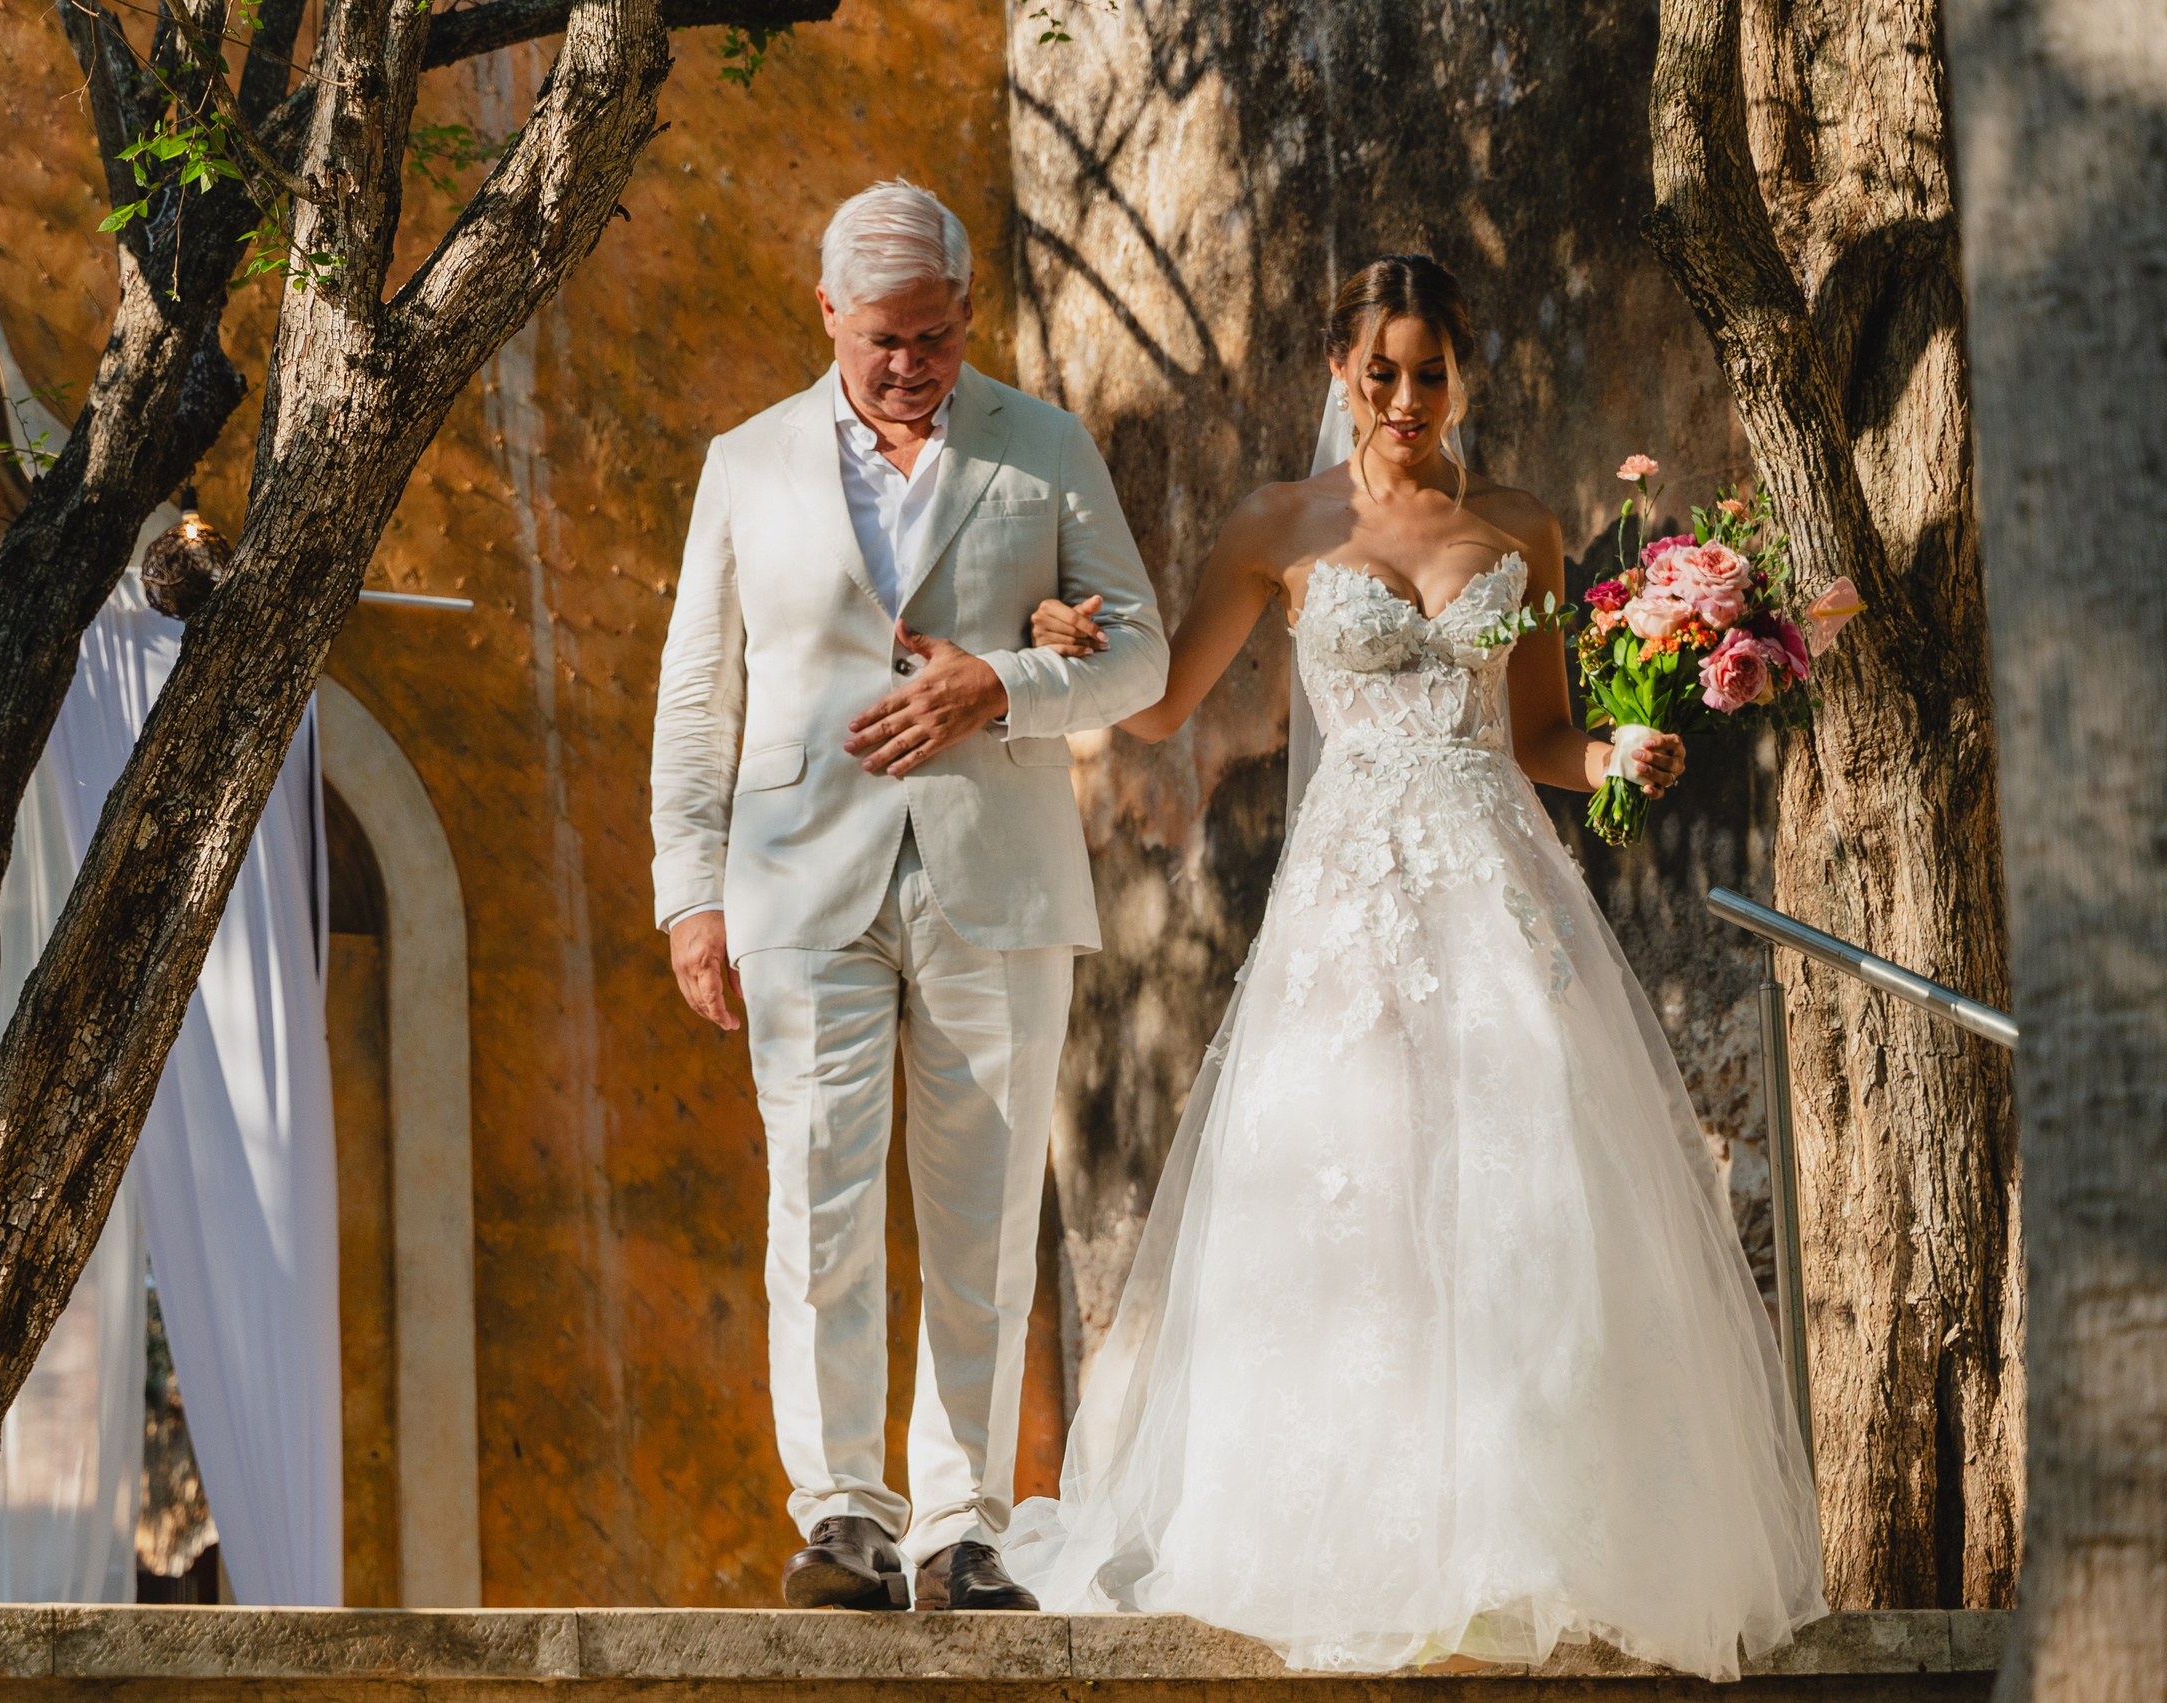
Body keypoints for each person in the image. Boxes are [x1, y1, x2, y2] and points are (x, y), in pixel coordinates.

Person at [999, 254, 1825, 1677]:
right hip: (1348, 900)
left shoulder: (1525, 526)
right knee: (1356, 1183)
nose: (1403, 398)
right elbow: (1163, 703)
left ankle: (1518, 1544)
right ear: (1340, 373)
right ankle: (1349, 1540)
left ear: (1462, 376)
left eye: (1428, 372)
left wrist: (1618, 750)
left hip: (1497, 882)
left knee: (1523, 1190)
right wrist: (1061, 639)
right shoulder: (1280, 524)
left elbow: (1542, 735)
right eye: (1378, 372)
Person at [648, 180, 1168, 1612]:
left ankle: (963, 1525)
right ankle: (843, 1520)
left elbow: (1143, 658)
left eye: (934, 337)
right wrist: (689, 894)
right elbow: (702, 699)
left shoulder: (1045, 447)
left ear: (962, 316)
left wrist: (1006, 681)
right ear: (828, 313)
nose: (909, 366)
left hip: (992, 883)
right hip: (798, 884)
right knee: (813, 1205)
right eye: (883, 338)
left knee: (987, 1213)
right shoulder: (746, 463)